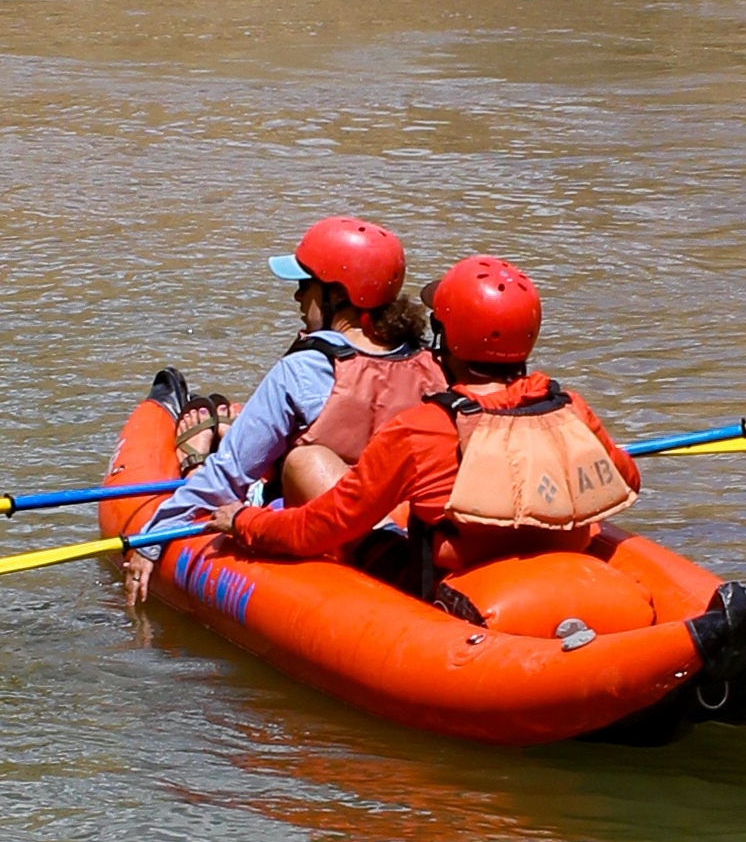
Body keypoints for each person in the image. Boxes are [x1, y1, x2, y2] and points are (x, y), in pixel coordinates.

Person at [216, 253, 637, 597]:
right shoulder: (569, 408)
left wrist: (243, 522)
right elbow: (627, 480)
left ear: (445, 336)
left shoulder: (423, 428)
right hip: (555, 562)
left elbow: (319, 528)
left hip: (440, 588)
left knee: (350, 508)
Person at [126, 216, 439, 602]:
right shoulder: (433, 365)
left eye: (304, 286)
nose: (296, 298)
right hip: (391, 525)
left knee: (287, 464)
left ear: (336, 294)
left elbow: (229, 475)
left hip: (321, 529)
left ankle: (195, 460)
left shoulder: (304, 368)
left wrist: (149, 539)